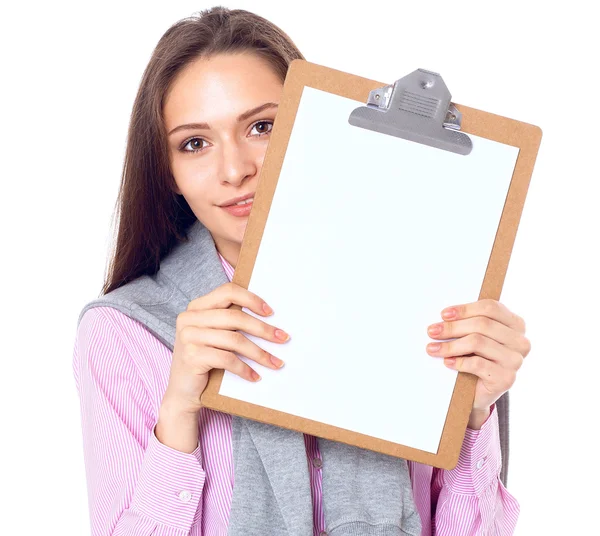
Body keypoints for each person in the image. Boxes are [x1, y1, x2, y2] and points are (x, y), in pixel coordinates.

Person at [72, 6, 530, 536]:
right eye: (194, 143)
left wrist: (474, 416)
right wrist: (177, 413)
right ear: (167, 171)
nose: (235, 169)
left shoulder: (422, 296)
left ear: (315, 128)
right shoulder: (123, 333)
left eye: (262, 126)